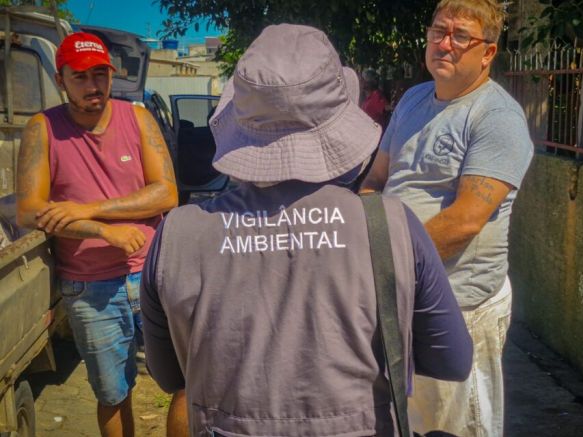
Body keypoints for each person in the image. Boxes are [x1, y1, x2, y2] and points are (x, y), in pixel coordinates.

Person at [141, 24, 472, 436]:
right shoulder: (390, 224)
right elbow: (452, 359)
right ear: (337, 120)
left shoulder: (177, 235)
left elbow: (169, 375)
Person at [361, 1, 534, 436]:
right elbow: (377, 178)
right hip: (400, 291)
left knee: (455, 426)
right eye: (439, 31)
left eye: (461, 36)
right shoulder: (414, 99)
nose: (445, 44)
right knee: (408, 419)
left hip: (457, 303)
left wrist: (382, 265)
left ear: (488, 52)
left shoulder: (496, 117)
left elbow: (464, 222)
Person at [15, 32, 178, 437]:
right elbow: (30, 210)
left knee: (185, 379)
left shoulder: (137, 118)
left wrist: (88, 209)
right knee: (112, 394)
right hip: (89, 287)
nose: (93, 85)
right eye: (81, 77)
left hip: (153, 273)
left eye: (101, 75)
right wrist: (103, 232)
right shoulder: (42, 128)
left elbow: (166, 193)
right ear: (60, 79)